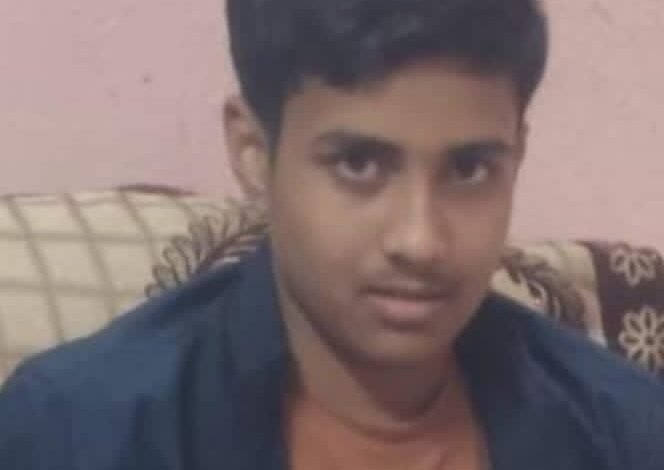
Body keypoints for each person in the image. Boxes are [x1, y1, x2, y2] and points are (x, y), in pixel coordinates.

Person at [1, 0, 663, 468]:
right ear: (253, 151)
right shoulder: (78, 434)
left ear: (518, 152)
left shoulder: (630, 432)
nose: (421, 240)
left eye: (469, 169)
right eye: (359, 163)